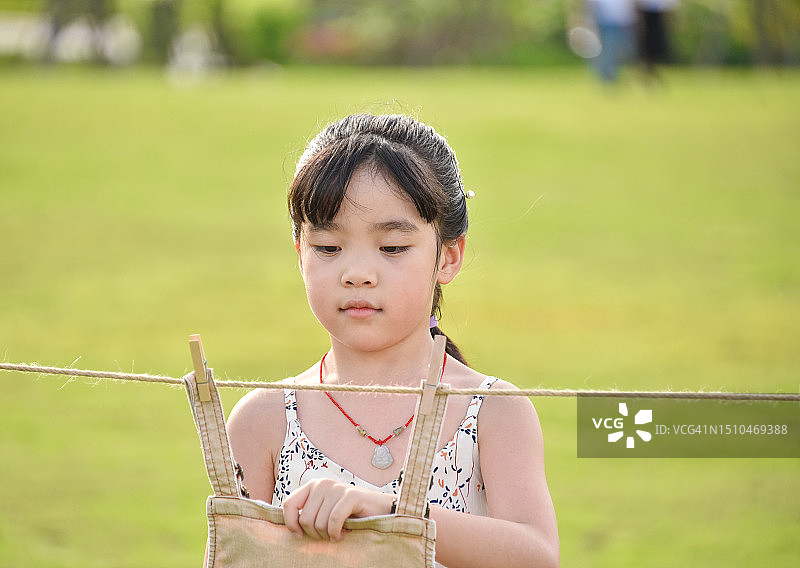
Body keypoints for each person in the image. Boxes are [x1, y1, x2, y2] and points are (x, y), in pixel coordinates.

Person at [226, 114, 559, 567]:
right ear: (299, 254)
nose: (358, 273)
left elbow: (537, 557)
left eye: (392, 248)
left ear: (449, 256)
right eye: (328, 247)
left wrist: (394, 517)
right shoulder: (264, 420)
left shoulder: (492, 411)